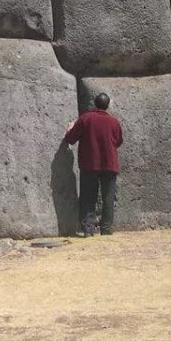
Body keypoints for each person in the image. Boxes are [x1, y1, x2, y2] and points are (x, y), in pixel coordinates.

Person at [62, 93, 124, 236]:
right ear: (108, 105)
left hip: (89, 164)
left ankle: (88, 230)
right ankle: (106, 229)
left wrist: (70, 129)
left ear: (94, 104)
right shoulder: (114, 122)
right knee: (108, 198)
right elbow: (119, 141)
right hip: (110, 164)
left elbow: (71, 139)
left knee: (88, 197)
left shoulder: (85, 118)